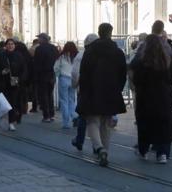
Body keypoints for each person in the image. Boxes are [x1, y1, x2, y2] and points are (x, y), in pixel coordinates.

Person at [77, 23, 127, 166]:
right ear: (111, 33)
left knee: (92, 120)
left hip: (92, 90)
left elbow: (84, 73)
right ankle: (105, 151)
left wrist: (83, 90)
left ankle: (98, 148)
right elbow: (122, 74)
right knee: (106, 123)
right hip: (111, 91)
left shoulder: (90, 51)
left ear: (99, 33)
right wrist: (118, 89)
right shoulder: (118, 52)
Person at [131, 34, 172, 163]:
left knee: (145, 124)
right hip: (163, 97)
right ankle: (162, 153)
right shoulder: (166, 61)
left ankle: (143, 150)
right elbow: (171, 79)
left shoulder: (141, 61)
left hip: (145, 97)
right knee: (163, 124)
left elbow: (136, 79)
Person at [0, 38, 27, 131]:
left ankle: (11, 122)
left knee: (13, 103)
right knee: (4, 103)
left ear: (15, 46)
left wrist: (20, 78)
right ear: (5, 46)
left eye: (12, 44)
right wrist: (1, 72)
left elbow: (24, 69)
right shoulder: (1, 55)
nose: (10, 46)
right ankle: (3, 118)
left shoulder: (19, 56)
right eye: (8, 44)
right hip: (3, 83)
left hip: (15, 84)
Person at [70, 34, 98, 151]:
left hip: (85, 89)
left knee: (83, 115)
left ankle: (80, 140)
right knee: (98, 118)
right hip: (100, 90)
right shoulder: (103, 54)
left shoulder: (81, 55)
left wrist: (75, 85)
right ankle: (97, 144)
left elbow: (75, 73)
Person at [33, 33, 58, 122]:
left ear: (43, 39)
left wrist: (35, 75)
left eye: (39, 38)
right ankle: (52, 114)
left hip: (42, 74)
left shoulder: (39, 49)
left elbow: (36, 63)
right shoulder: (54, 48)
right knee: (50, 94)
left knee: (43, 95)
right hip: (52, 74)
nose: (38, 40)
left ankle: (46, 115)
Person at [54, 42, 78, 129]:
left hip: (63, 78)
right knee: (71, 99)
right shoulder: (76, 57)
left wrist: (58, 74)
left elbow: (55, 68)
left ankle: (66, 122)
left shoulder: (61, 57)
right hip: (73, 79)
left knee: (64, 101)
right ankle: (74, 115)